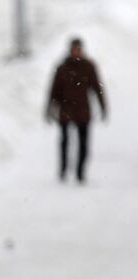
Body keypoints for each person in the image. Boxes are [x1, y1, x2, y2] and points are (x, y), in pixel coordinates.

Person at [48, 38, 107, 184]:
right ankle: (63, 169)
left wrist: (103, 106)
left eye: (78, 49)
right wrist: (50, 108)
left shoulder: (88, 67)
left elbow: (97, 88)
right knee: (64, 142)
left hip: (82, 111)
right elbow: (54, 90)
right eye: (74, 49)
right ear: (70, 50)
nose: (76, 52)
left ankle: (80, 172)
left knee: (83, 143)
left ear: (81, 50)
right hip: (66, 110)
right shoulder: (62, 68)